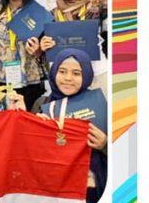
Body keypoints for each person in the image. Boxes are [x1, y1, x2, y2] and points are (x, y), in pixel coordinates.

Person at [35, 48, 107, 203]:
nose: (68, 78)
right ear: (54, 72)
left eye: (76, 73)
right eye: (62, 71)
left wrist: (105, 145)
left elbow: (124, 152)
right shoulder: (41, 104)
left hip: (91, 185)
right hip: (53, 185)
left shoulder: (101, 105)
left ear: (86, 75)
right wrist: (36, 131)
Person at [39, 0, 108, 95]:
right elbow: (41, 51)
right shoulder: (50, 14)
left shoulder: (96, 6)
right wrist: (43, 47)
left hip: (97, 77)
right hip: (65, 82)